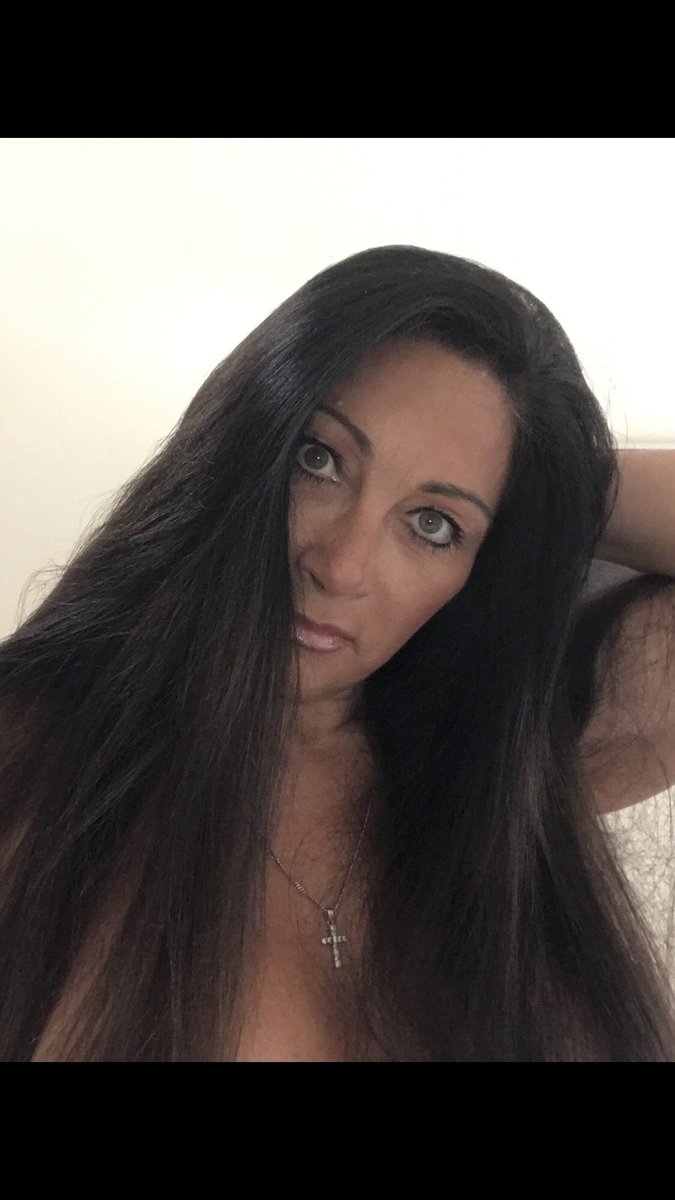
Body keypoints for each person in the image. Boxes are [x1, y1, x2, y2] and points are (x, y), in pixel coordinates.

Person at [1, 244, 674, 1061]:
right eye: (318, 461)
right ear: (243, 445)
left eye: (433, 524)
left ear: (479, 566)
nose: (340, 566)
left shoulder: (495, 771)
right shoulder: (34, 757)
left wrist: (549, 488)